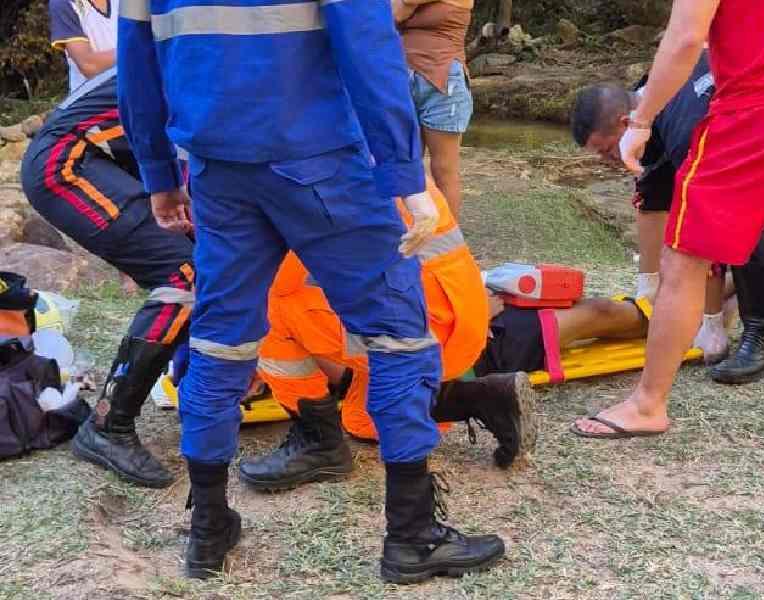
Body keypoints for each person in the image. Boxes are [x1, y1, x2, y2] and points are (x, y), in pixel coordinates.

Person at [118, 0, 504, 583]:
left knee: (220, 342)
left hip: (218, 171)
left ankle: (208, 530)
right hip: (324, 162)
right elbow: (368, 48)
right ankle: (412, 535)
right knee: (398, 334)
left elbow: (136, 60)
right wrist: (404, 173)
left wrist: (158, 174)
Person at [573, 0, 764, 439]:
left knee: (684, 260)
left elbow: (686, 36)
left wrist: (641, 121)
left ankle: (647, 405)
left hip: (754, 109)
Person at [239, 179, 537, 491]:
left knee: (265, 309)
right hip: (455, 315)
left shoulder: (299, 178)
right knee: (362, 420)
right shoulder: (379, 157)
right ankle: (485, 398)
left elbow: (267, 281)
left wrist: (242, 361)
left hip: (420, 332)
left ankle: (317, 441)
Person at [20, 68, 194, 488]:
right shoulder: (206, 52)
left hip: (93, 157)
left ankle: (190, 385)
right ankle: (108, 425)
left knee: (191, 264)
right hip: (66, 160)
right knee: (185, 274)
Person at [570, 51, 764, 381]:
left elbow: (709, 220)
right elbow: (650, 197)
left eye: (607, 150)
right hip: (735, 109)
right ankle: (733, 295)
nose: (608, 160)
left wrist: (711, 324)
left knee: (741, 225)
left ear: (626, 124)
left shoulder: (684, 127)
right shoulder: (647, 100)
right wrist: (648, 289)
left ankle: (763, 336)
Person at [392, 0, 474, 217]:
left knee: (444, 169)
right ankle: (409, 230)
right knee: (406, 165)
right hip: (401, 77)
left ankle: (449, 235)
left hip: (443, 80)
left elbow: (395, 13)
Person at [49, 0, 118, 92]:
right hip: (96, 96)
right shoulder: (63, 3)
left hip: (131, 88)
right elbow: (89, 66)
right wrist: (131, 51)